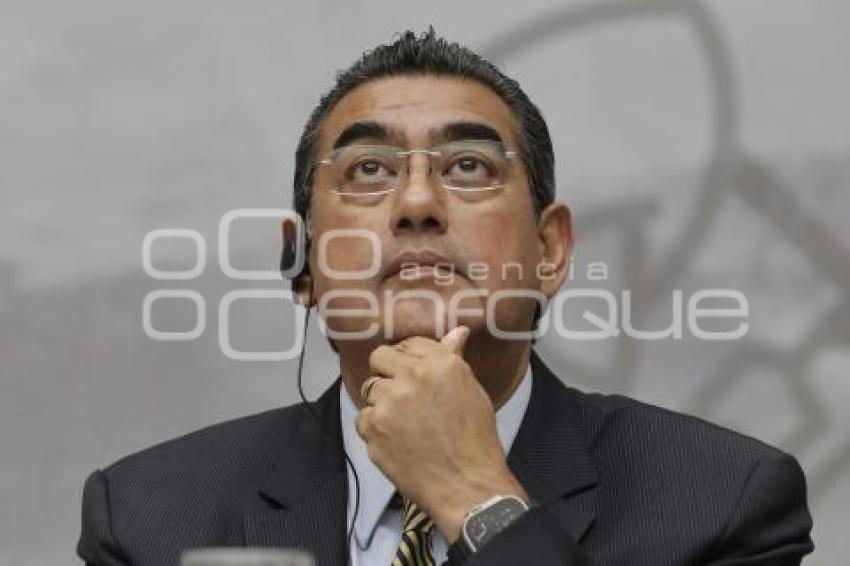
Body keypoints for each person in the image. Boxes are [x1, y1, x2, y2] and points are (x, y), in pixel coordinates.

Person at [77, 30, 814, 565]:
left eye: (468, 166)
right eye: (368, 170)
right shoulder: (150, 517)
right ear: (300, 265)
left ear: (550, 251)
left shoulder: (724, 501)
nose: (418, 203)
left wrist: (476, 497)